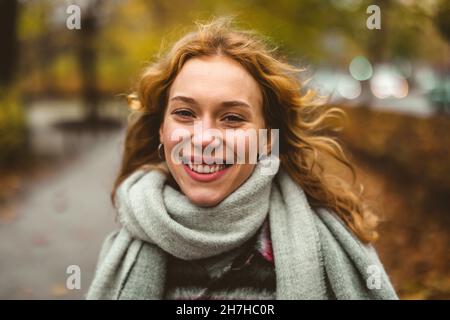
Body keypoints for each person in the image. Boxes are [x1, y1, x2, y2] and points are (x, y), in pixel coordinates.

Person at [86, 17, 398, 300]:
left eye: (233, 117)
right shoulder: (126, 244)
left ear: (266, 138)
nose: (205, 138)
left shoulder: (334, 250)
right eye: (184, 113)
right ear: (161, 130)